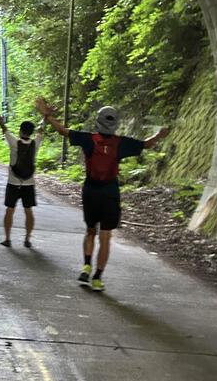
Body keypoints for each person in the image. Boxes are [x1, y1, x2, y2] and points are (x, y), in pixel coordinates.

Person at [35, 98, 168, 291]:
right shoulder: (121, 143)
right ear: (115, 124)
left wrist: (46, 114)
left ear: (97, 121)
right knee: (105, 236)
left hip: (90, 191)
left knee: (90, 230)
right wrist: (159, 134)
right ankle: (97, 277)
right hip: (110, 193)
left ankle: (86, 265)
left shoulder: (88, 138)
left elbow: (62, 130)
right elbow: (146, 145)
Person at [0, 99, 44, 249]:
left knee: (9, 210)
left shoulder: (13, 142)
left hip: (13, 182)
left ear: (20, 130)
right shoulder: (35, 144)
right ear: (31, 132)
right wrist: (45, 116)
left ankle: (7, 238)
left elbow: (3, 127)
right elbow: (40, 130)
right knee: (29, 212)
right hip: (29, 183)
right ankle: (27, 239)